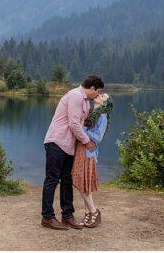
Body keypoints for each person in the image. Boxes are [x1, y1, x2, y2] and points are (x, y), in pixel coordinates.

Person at [41, 75, 104, 230]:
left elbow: (83, 125)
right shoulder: (76, 96)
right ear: (92, 88)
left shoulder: (85, 102)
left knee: (67, 180)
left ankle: (67, 215)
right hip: (57, 142)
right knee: (52, 180)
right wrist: (87, 142)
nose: (97, 94)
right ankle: (47, 217)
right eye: (98, 91)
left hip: (69, 146)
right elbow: (74, 124)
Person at [73, 93, 112, 228]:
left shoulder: (102, 116)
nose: (99, 96)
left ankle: (94, 212)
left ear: (105, 104)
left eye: (103, 97)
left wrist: (82, 127)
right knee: (83, 183)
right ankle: (87, 213)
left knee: (79, 181)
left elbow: (98, 137)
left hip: (88, 152)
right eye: (101, 94)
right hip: (80, 149)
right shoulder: (90, 112)